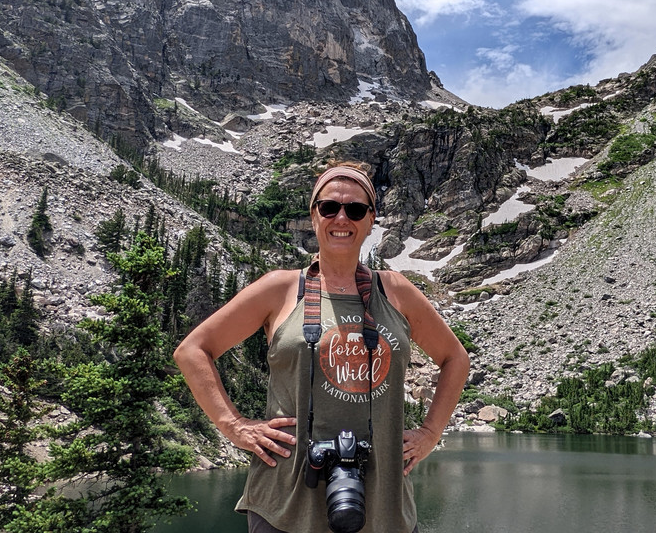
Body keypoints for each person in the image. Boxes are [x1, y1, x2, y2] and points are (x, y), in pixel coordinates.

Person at [175, 162, 471, 533]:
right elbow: (192, 351)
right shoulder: (280, 288)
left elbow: (455, 358)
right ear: (313, 216)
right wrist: (234, 425)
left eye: (356, 209)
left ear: (370, 219)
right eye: (329, 207)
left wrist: (430, 434)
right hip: (285, 502)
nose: (341, 218)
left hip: (383, 504)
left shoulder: (395, 291)